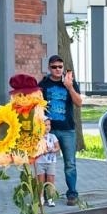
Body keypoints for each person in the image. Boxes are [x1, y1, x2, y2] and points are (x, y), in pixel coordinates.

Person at [39, 54, 83, 205]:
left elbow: (79, 103)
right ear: (49, 68)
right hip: (48, 131)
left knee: (70, 163)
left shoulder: (69, 82)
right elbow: (38, 106)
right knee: (44, 162)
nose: (57, 69)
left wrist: (69, 87)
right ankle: (45, 195)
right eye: (54, 67)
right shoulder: (43, 84)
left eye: (60, 67)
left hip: (67, 130)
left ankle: (72, 194)